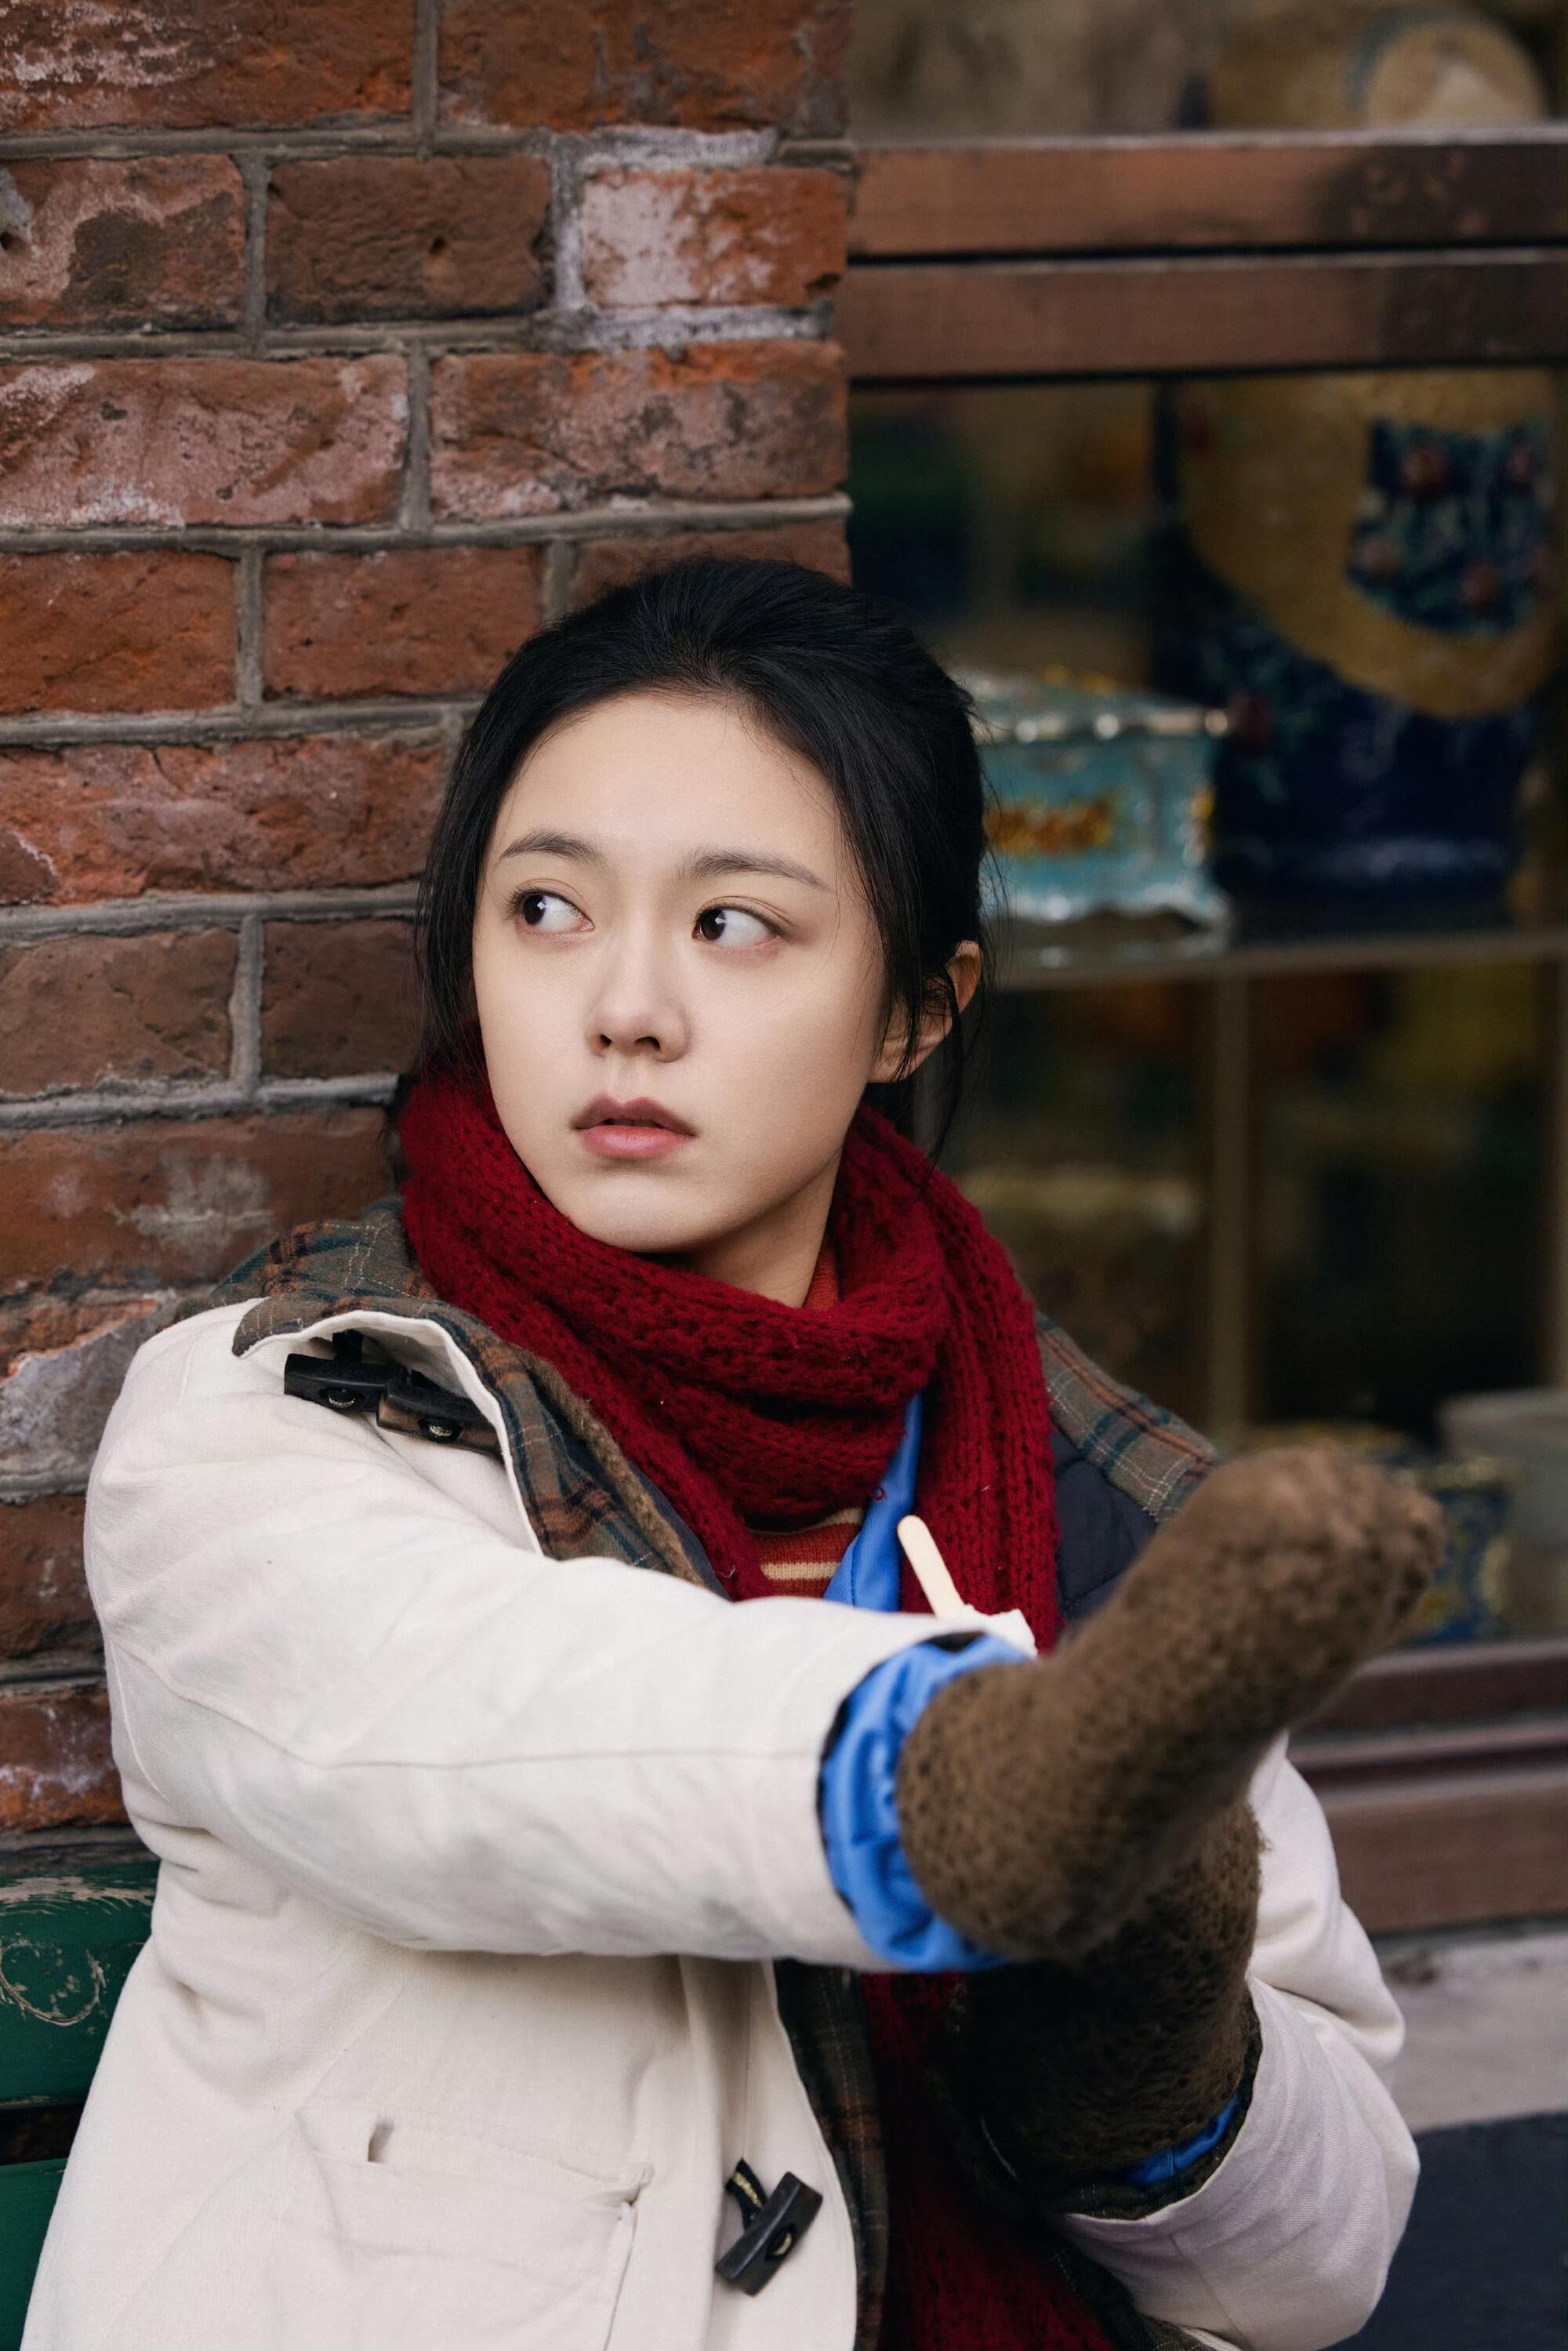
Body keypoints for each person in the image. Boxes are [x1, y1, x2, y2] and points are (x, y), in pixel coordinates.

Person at [27, 558, 1440, 2351]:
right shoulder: (280, 1417)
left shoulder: (1079, 1486)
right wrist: (968, 1787)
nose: (625, 1006)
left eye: (734, 925)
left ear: (917, 1006)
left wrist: (1143, 2047)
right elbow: (495, 1729)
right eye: (547, 909)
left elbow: (1321, 2265)